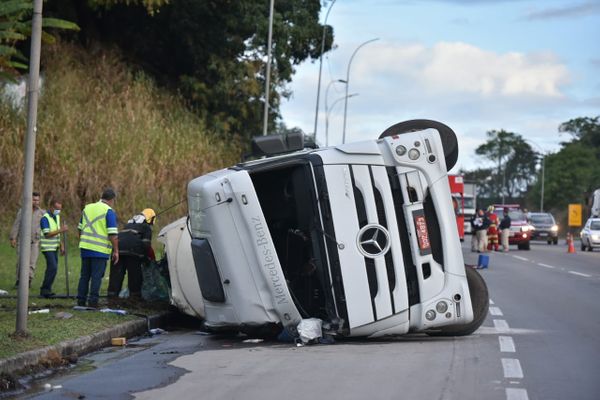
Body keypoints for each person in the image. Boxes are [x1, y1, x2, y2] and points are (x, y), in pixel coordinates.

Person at [76, 188, 119, 308]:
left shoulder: (87, 208)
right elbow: (112, 234)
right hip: (99, 250)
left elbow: (79, 228)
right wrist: (116, 250)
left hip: (85, 248)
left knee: (84, 275)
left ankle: (81, 301)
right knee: (96, 277)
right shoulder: (108, 211)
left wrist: (84, 241)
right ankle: (93, 302)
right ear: (112, 200)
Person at [107, 208, 156, 301]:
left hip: (117, 250)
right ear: (151, 219)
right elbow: (146, 246)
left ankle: (112, 298)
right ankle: (134, 299)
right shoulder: (146, 227)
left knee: (116, 275)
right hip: (133, 252)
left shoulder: (128, 225)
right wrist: (146, 260)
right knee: (135, 276)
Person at [9, 191, 45, 288]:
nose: (35, 202)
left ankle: (28, 281)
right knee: (21, 261)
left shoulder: (42, 213)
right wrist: (13, 237)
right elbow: (17, 224)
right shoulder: (23, 211)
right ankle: (19, 281)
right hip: (23, 240)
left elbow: (46, 227)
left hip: (35, 241)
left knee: (32, 262)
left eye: (37, 200)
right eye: (34, 200)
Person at [39, 198, 68, 297]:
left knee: (53, 269)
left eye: (60, 209)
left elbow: (57, 234)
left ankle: (47, 289)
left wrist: (62, 246)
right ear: (51, 207)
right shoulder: (45, 218)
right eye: (56, 208)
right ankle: (45, 290)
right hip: (47, 248)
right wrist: (61, 230)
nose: (58, 211)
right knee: (53, 267)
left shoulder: (56, 217)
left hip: (54, 247)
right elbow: (47, 234)